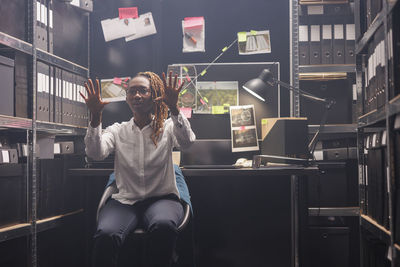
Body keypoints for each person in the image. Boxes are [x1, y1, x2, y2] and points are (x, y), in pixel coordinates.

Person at [80, 71, 196, 267]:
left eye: (143, 91)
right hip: (125, 201)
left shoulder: (167, 127)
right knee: (106, 234)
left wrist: (174, 108)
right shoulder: (118, 130)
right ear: (126, 98)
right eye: (132, 92)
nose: (137, 96)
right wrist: (95, 116)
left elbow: (187, 142)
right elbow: (95, 153)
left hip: (161, 198)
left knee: (163, 226)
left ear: (155, 95)